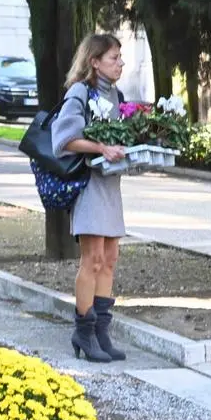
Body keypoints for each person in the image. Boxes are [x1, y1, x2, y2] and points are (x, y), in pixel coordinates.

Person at [52, 33, 128, 363]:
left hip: (110, 185)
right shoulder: (80, 92)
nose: (120, 63)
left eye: (120, 57)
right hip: (89, 185)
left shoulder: (116, 95)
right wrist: (101, 148)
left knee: (110, 259)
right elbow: (65, 139)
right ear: (94, 62)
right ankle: (83, 332)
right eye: (114, 58)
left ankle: (101, 334)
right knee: (92, 259)